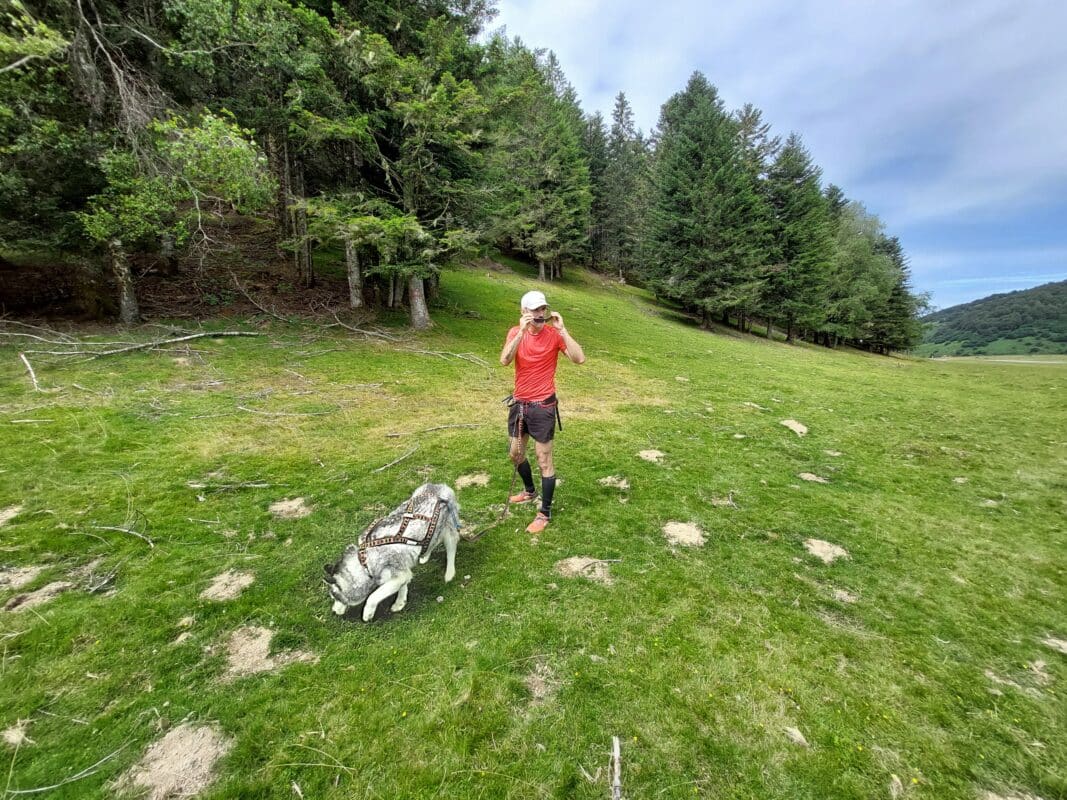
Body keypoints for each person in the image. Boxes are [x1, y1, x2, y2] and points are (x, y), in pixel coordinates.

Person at [499, 289, 585, 533]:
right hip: (519, 404)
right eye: (535, 309)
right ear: (524, 312)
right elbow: (505, 360)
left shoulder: (554, 335)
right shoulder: (515, 332)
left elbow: (579, 359)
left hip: (543, 406)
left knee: (544, 459)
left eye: (542, 309)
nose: (540, 313)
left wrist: (563, 331)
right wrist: (520, 333)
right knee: (515, 454)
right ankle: (529, 491)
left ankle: (544, 512)